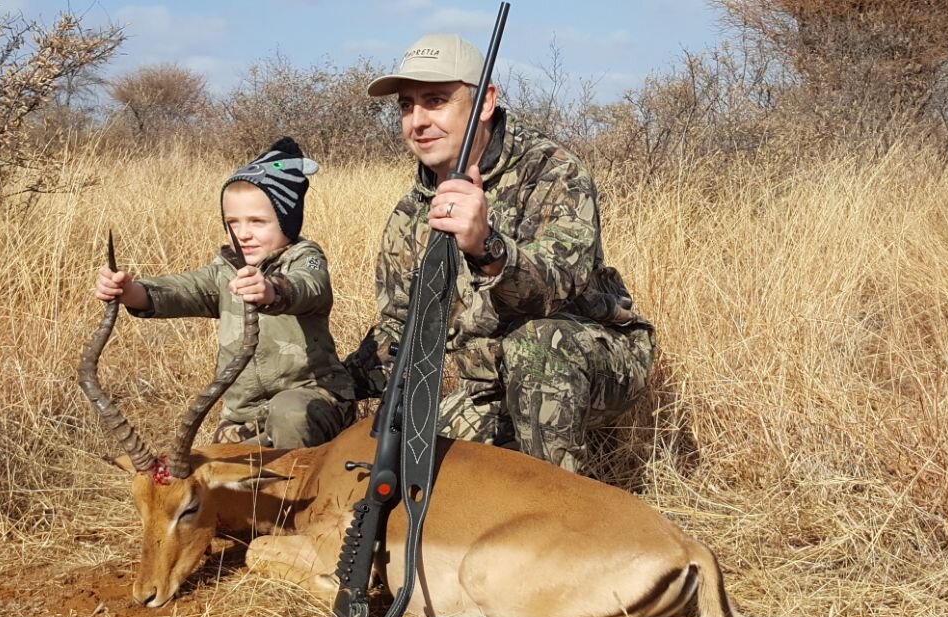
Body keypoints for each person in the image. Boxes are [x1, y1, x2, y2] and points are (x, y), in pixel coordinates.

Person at [345, 34, 654, 474]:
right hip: (489, 386)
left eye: (436, 101)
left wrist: (487, 247)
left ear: (485, 102)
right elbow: (400, 331)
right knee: (391, 444)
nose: (418, 121)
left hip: (590, 360)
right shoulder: (411, 210)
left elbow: (556, 288)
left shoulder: (553, 172)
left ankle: (559, 520)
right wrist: (332, 384)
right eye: (406, 106)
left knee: (542, 344)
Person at [94, 137, 355, 448]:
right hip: (245, 416)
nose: (243, 234)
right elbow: (183, 289)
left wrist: (272, 290)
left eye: (258, 222)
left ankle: (294, 495)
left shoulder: (305, 256)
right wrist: (131, 291)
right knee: (210, 478)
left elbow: (310, 286)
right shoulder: (224, 270)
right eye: (233, 223)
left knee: (289, 414)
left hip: (315, 400)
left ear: (287, 219)